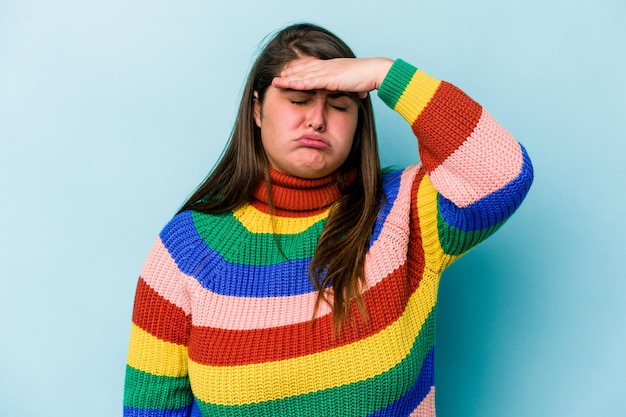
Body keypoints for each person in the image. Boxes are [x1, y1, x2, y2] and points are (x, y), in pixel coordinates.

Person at [123, 23, 533, 417]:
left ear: (359, 124)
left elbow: (503, 173)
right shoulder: (186, 248)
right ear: (257, 110)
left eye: (339, 105)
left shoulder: (405, 212)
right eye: (298, 100)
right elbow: (149, 408)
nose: (317, 119)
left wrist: (384, 72)